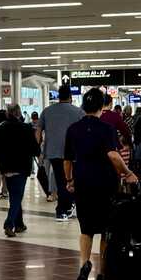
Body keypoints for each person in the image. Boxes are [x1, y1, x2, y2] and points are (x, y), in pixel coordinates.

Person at [64, 88, 137, 280]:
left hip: (83, 182)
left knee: (86, 229)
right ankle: (102, 273)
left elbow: (68, 159)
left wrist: (69, 180)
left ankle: (84, 263)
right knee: (106, 229)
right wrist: (127, 172)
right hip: (105, 183)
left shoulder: (73, 129)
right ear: (100, 108)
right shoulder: (106, 129)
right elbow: (113, 156)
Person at [0, 102, 39, 234]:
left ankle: (19, 224)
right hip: (21, 167)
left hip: (6, 167)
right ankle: (9, 223)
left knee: (14, 195)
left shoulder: (0, 128)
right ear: (19, 113)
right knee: (17, 196)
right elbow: (35, 148)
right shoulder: (26, 128)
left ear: (7, 113)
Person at [40, 85, 84, 221]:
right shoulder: (79, 112)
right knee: (70, 180)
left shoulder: (46, 111)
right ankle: (62, 209)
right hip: (73, 153)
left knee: (61, 180)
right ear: (70, 97)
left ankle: (66, 206)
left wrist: (38, 150)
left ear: (58, 96)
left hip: (53, 152)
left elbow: (38, 131)